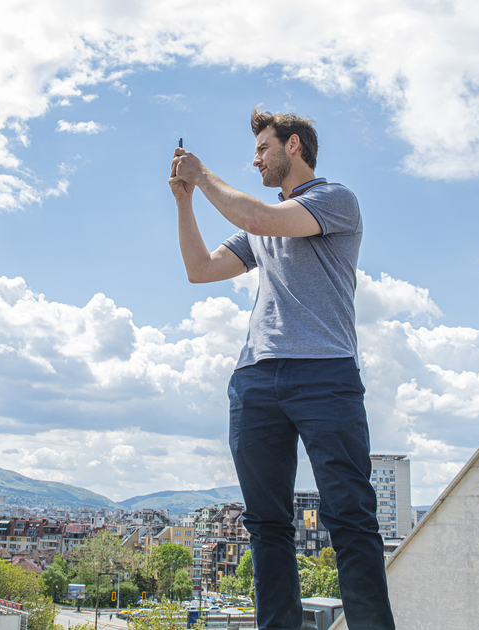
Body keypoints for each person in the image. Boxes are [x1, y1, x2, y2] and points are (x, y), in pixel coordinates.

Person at [168, 108, 394, 630]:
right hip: (255, 380)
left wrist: (201, 175)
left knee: (350, 516)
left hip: (326, 375)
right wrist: (186, 202)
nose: (255, 161)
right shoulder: (260, 224)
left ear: (293, 146)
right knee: (267, 524)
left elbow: (257, 218)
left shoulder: (333, 200)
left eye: (262, 149)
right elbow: (199, 270)